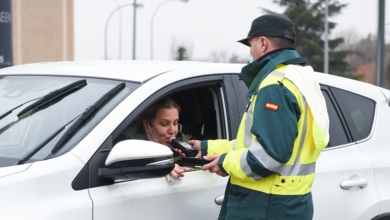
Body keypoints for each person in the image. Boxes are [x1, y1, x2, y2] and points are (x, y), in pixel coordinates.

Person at [189, 14, 329, 220]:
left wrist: (225, 163)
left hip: (265, 204)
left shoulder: (275, 85)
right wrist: (207, 148)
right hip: (288, 202)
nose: (250, 52)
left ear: (262, 43)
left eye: (251, 45)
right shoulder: (300, 78)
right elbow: (256, 144)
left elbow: (268, 156)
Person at [138, 97, 192, 183]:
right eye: (164, 124)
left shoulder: (184, 143)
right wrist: (163, 167)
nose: (172, 131)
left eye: (175, 123)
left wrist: (184, 159)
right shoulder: (131, 146)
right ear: (147, 126)